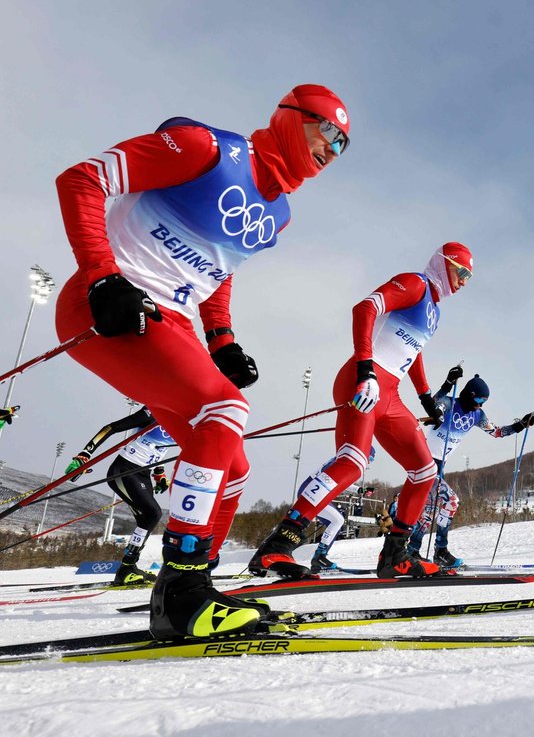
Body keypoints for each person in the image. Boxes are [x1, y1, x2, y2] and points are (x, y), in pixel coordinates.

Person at [54, 84, 350, 639]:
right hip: (114, 303)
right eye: (328, 131)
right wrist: (102, 277)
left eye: (344, 145)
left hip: (174, 321)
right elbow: (82, 179)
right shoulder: (206, 148)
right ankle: (181, 595)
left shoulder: (278, 214)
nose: (333, 149)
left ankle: (198, 582)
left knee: (234, 465)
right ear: (292, 118)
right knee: (224, 409)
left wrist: (222, 341)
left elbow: (218, 267)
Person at [249, 242, 475, 580]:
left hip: (390, 394)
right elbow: (365, 308)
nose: (464, 282)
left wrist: (426, 397)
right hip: (364, 381)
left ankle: (395, 555)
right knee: (353, 462)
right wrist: (365, 370)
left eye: (469, 277)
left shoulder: (434, 311)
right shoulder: (414, 283)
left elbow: (414, 351)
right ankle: (278, 544)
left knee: (424, 471)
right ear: (444, 264)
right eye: (462, 272)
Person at [407, 368, 534, 567]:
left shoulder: (477, 415)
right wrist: (448, 383)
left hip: (439, 466)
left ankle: (412, 551)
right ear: (469, 394)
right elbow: (433, 404)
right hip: (424, 461)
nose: (480, 405)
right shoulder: (449, 403)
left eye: (484, 402)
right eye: (479, 400)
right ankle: (441, 551)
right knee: (451, 502)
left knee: (429, 510)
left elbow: (496, 432)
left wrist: (520, 426)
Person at [64, 405, 173, 586]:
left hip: (143, 473)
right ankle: (126, 568)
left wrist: (159, 473)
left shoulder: (180, 421)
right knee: (153, 513)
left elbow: (159, 447)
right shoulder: (154, 411)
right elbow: (111, 428)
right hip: (125, 470)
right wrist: (85, 454)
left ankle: (127, 568)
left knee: (147, 519)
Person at [307, 446, 376, 573]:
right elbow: (332, 478)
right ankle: (319, 557)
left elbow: (340, 482)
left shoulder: (346, 459)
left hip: (316, 493)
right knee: (338, 520)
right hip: (314, 493)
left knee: (334, 525)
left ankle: (319, 559)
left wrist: (359, 490)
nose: (368, 464)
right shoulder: (346, 461)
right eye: (369, 459)